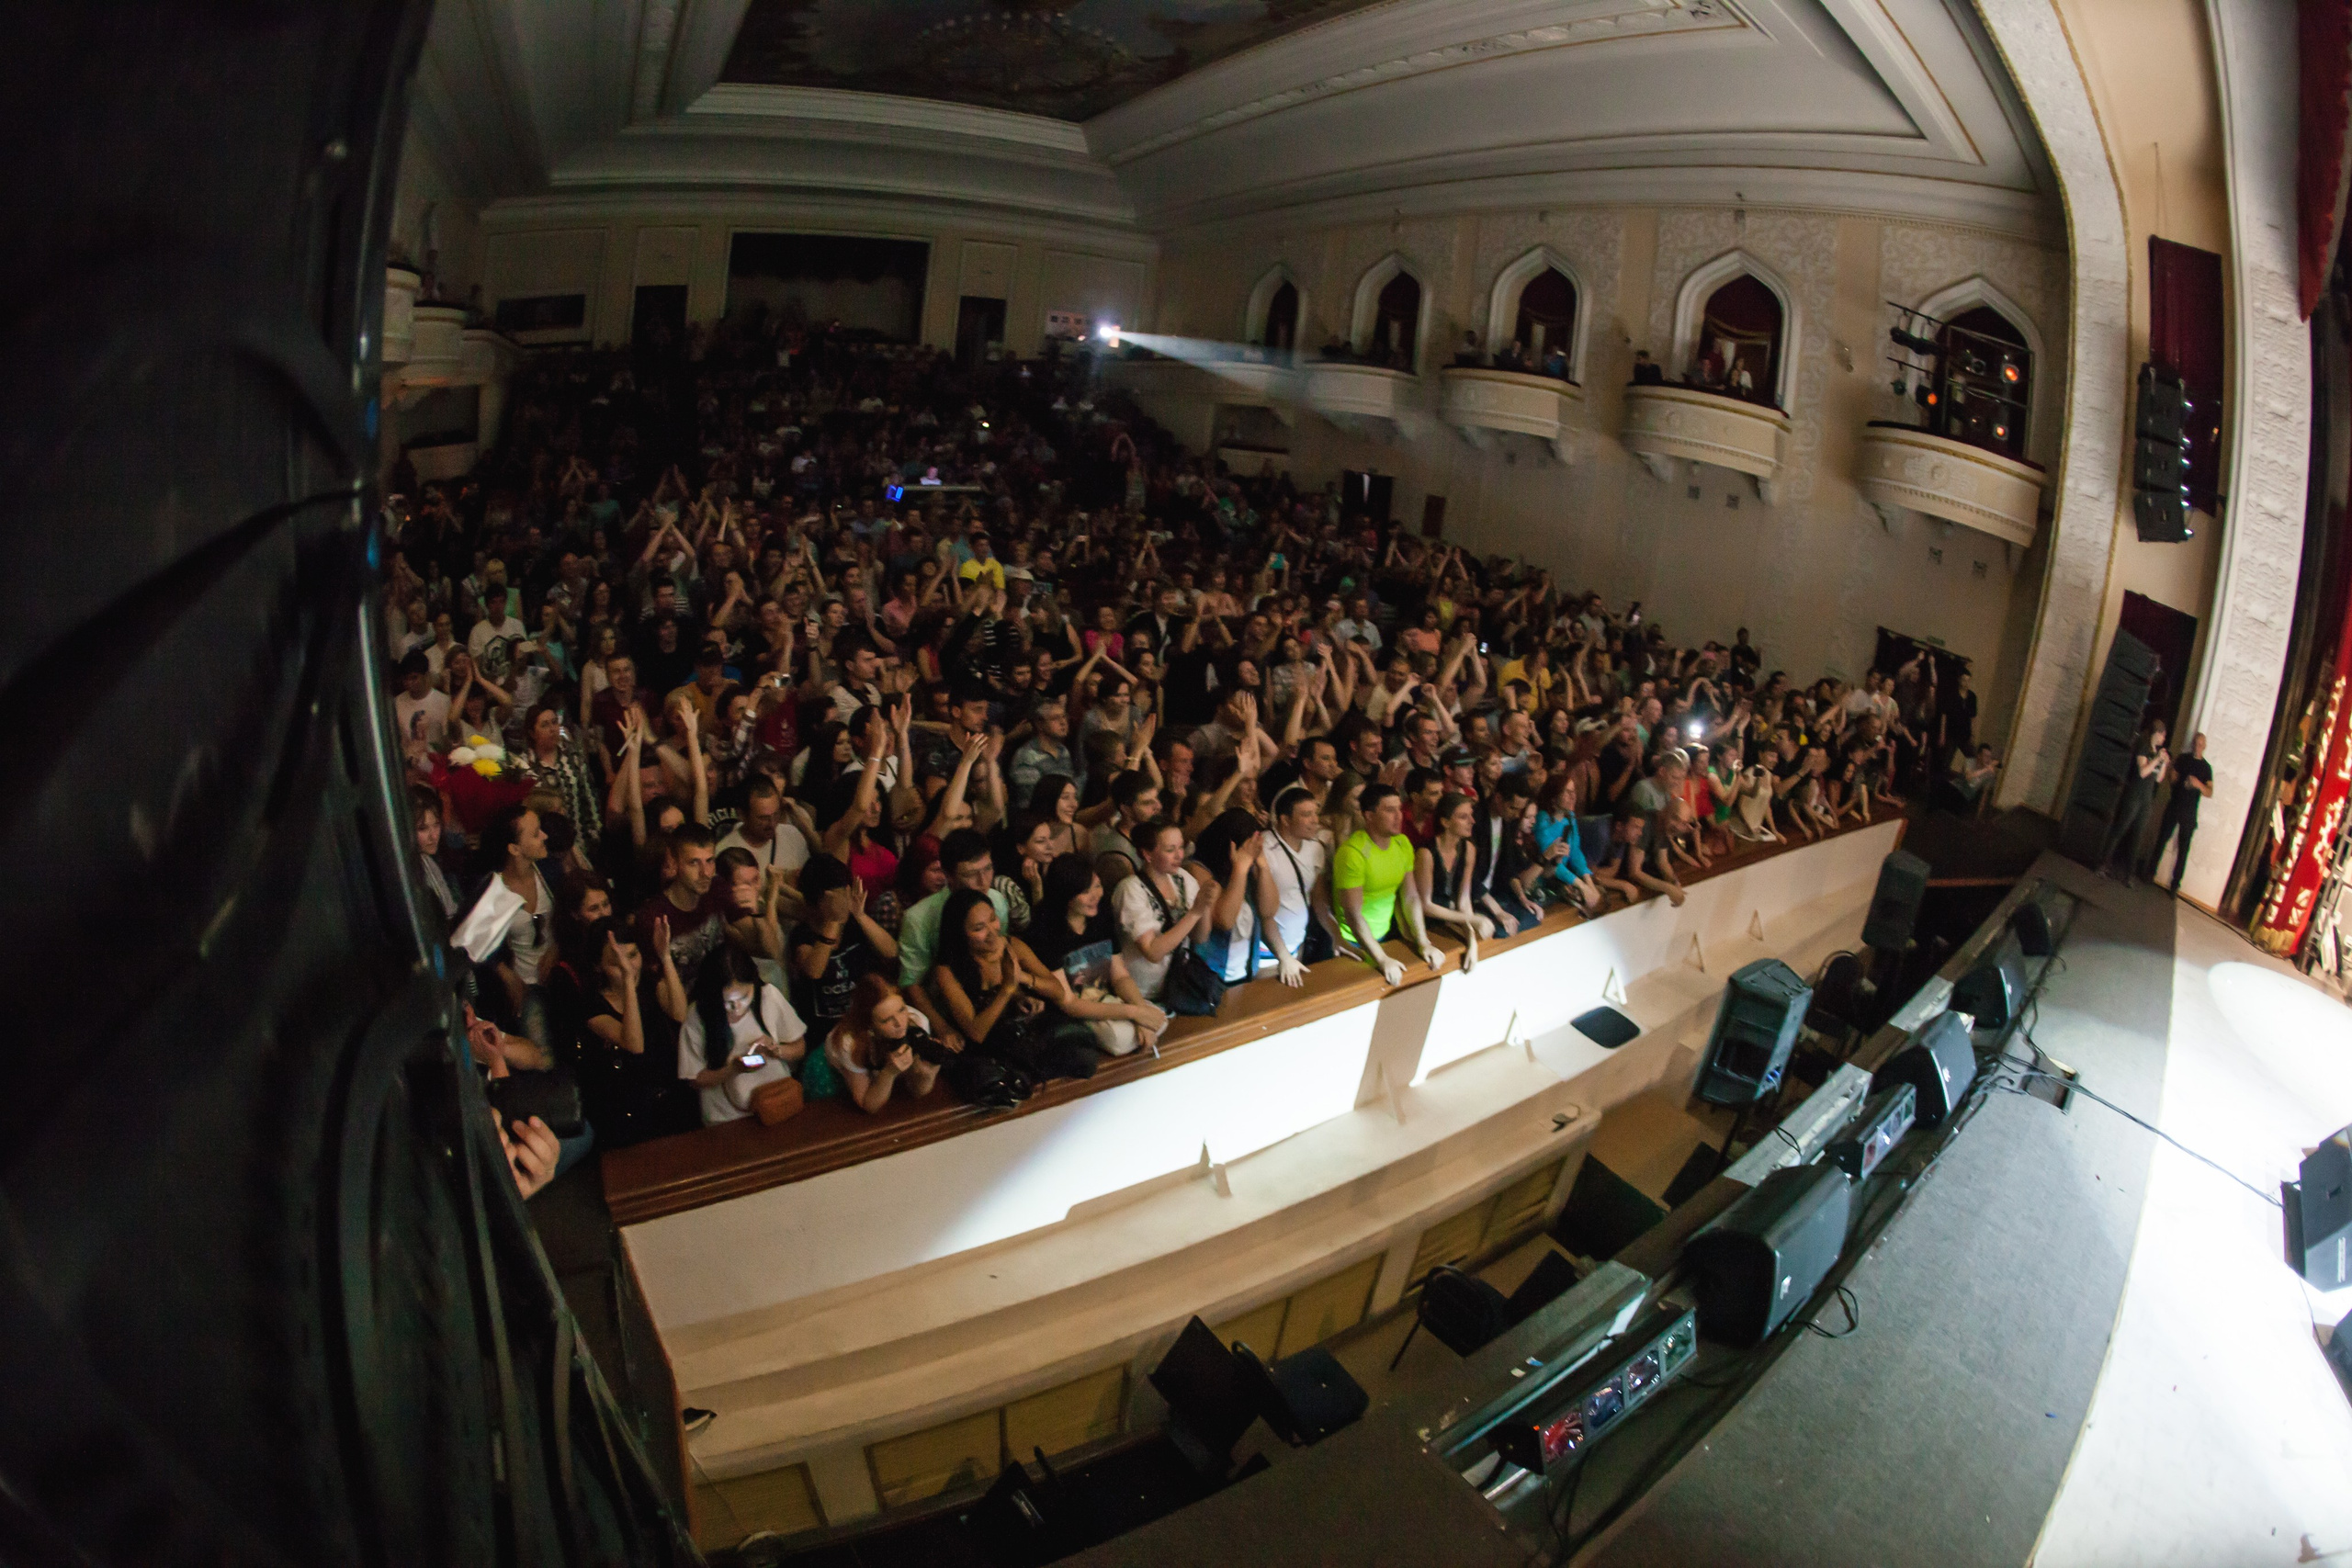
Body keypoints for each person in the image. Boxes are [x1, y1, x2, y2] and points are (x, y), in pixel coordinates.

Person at [1025, 854, 1170, 1055]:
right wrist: (1135, 1012)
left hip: (1106, 1001)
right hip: (1074, 1014)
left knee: (1158, 1019)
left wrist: (1142, 1015)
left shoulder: (1101, 916)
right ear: (1065, 895)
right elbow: (1069, 1003)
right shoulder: (1045, 932)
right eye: (1086, 891)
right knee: (1121, 1039)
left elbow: (1120, 976)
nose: (1096, 895)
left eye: (1098, 886)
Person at [676, 944, 807, 1125]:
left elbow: (799, 1047)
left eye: (744, 997)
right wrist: (733, 1069)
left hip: (778, 1104)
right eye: (727, 1002)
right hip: (727, 1119)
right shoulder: (698, 1015)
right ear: (713, 994)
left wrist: (776, 1051)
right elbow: (695, 1079)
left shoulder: (768, 996)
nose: (737, 1007)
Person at [787, 853, 900, 1057]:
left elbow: (891, 951)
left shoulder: (854, 925)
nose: (845, 901)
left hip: (865, 1027)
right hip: (824, 1037)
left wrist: (860, 915)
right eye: (839, 896)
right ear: (818, 900)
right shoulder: (802, 935)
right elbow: (813, 971)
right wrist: (833, 920)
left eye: (847, 893)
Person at [1333, 784, 1446, 985]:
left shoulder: (1402, 843)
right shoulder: (1352, 853)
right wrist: (1382, 959)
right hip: (1354, 942)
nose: (1398, 816)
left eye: (1399, 809)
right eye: (1389, 810)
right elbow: (1353, 914)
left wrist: (1423, 942)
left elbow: (1410, 896)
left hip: (1385, 933)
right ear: (1369, 816)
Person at [1114, 819, 1218, 1003]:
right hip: (1143, 993)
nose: (1179, 855)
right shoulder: (1131, 889)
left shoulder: (1184, 879)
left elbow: (1200, 937)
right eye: (1170, 850)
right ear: (1147, 854)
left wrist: (1206, 904)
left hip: (1179, 985)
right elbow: (1152, 952)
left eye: (1181, 847)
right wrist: (1195, 912)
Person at [825, 975, 943, 1113]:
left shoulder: (918, 1023)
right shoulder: (849, 1043)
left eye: (902, 1010)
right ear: (870, 1024)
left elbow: (917, 1090)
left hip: (882, 1074)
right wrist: (888, 1073)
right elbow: (868, 1105)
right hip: (835, 1073)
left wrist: (929, 1073)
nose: (900, 1023)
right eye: (887, 1020)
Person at [1258, 787, 1338, 987]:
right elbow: (1264, 911)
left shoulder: (1315, 848)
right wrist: (1283, 956)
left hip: (1297, 944)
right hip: (1266, 952)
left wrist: (1336, 935)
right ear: (1285, 820)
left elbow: (1318, 899)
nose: (1315, 820)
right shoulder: (1265, 848)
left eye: (1315, 813)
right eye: (1306, 815)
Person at [1415, 792, 1488, 971]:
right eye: (1463, 817)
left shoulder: (1468, 849)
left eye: (1471, 815)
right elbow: (1426, 906)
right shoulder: (1426, 853)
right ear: (1445, 822)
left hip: (1451, 919)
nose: (1472, 821)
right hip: (1424, 925)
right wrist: (1473, 919)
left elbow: (1464, 900)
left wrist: (1472, 942)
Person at [2100, 719, 2168, 886]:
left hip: (2146, 798)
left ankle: (2129, 874)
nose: (2164, 739)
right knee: (2121, 829)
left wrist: (2164, 763)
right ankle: (2103, 864)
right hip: (2135, 795)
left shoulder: (2156, 751)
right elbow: (2143, 772)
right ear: (2157, 733)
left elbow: (2158, 779)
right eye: (2163, 736)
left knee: (2138, 836)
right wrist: (2156, 759)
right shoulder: (2144, 747)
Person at [2144, 731, 2212, 895]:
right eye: (2196, 743)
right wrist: (2178, 781)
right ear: (2193, 744)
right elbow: (2172, 776)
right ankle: (2150, 873)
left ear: (2204, 746)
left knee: (2183, 849)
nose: (2198, 747)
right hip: (2175, 805)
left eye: (2201, 744)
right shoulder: (2183, 759)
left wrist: (2197, 784)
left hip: (2189, 811)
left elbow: (2210, 792)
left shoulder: (2206, 768)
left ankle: (2175, 884)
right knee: (2162, 839)